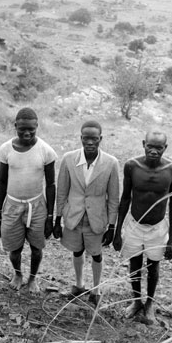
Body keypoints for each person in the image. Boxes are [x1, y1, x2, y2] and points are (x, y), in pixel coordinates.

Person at [113, 129, 172, 324]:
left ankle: (149, 303)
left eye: (158, 148)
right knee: (134, 263)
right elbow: (125, 198)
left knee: (153, 265)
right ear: (144, 144)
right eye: (150, 146)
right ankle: (136, 301)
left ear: (164, 148)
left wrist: (171, 239)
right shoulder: (132, 166)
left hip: (158, 227)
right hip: (134, 225)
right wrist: (118, 232)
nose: (153, 151)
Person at [0, 107, 57, 293]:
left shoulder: (46, 151)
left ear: (37, 126)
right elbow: (2, 182)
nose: (27, 133)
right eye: (22, 129)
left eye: (31, 130)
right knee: (14, 249)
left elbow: (51, 185)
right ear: (15, 126)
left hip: (37, 206)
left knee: (37, 248)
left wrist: (50, 216)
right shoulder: (5, 150)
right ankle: (18, 273)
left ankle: (33, 279)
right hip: (12, 205)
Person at [53, 120, 119, 306]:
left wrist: (112, 226)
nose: (90, 143)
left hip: (96, 218)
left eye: (94, 139)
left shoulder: (110, 163)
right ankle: (79, 284)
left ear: (101, 139)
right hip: (73, 216)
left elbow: (114, 198)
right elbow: (62, 191)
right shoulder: (69, 159)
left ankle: (96, 290)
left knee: (96, 253)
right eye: (86, 139)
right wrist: (57, 219)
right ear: (81, 138)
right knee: (77, 250)